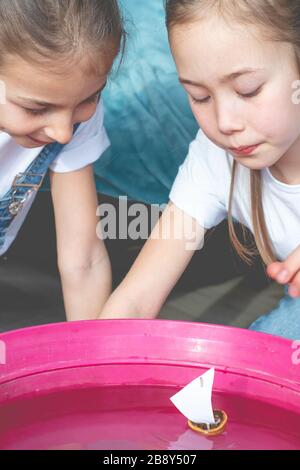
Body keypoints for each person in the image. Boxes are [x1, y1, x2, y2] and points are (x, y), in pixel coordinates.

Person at [99, 0, 300, 340]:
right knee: (254, 366)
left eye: (247, 90)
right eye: (199, 96)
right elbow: (136, 299)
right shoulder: (215, 158)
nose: (225, 123)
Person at [0, 0, 126, 321]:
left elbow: (82, 259)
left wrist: (91, 363)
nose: (63, 132)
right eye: (36, 109)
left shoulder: (71, 116)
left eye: (89, 98)